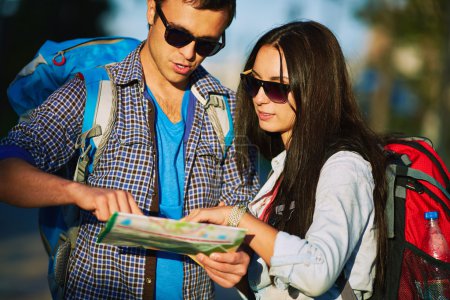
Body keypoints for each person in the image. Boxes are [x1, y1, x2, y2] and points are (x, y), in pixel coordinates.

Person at [0, 0, 259, 299]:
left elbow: (241, 220)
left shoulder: (230, 111)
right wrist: (78, 192)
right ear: (151, 10)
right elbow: (6, 170)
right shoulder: (93, 90)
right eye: (177, 35)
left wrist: (240, 260)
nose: (189, 54)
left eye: (207, 44)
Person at [185, 20, 388, 299]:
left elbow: (318, 273)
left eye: (277, 88)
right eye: (253, 82)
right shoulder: (282, 168)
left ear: (315, 90)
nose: (259, 98)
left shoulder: (344, 166)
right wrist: (236, 263)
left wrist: (238, 218)